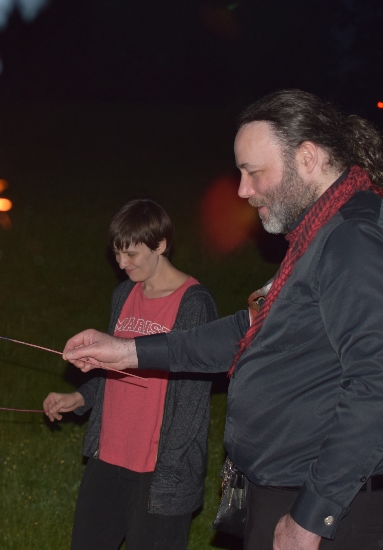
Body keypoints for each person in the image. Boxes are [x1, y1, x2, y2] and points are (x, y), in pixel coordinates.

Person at [62, 89, 383, 550]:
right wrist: (127, 351)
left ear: (307, 158)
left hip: (328, 508)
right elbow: (248, 331)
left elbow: (375, 384)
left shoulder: (351, 242)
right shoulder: (317, 236)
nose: (242, 190)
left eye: (253, 172)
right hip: (284, 492)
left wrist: (313, 515)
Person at [43, 199, 218, 549]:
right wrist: (79, 397)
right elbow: (113, 368)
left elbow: (191, 403)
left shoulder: (194, 304)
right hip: (108, 456)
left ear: (161, 245)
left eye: (132, 254)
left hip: (158, 469)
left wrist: (172, 472)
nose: (122, 264)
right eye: (117, 254)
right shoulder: (123, 294)